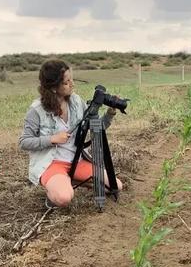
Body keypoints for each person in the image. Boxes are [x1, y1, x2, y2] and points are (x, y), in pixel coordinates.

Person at [19, 59, 122, 208]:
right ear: (54, 87)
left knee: (115, 186)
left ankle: (69, 179)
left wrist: (110, 113)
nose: (72, 84)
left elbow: (97, 128)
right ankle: (55, 191)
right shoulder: (36, 110)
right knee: (64, 198)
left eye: (71, 79)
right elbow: (24, 142)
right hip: (52, 164)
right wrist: (52, 139)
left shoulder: (76, 101)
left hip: (77, 161)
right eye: (67, 82)